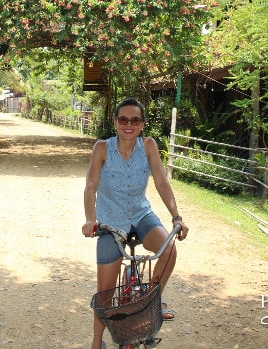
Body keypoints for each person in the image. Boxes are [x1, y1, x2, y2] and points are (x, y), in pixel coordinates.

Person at [82, 98, 189, 349]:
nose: (128, 125)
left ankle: (151, 302)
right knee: (105, 292)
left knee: (169, 249)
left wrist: (176, 217)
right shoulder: (102, 148)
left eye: (135, 120)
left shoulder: (149, 145)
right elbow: (90, 186)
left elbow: (161, 181)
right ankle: (96, 342)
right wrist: (90, 219)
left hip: (141, 215)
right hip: (111, 222)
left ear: (142, 124)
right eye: (123, 119)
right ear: (115, 122)